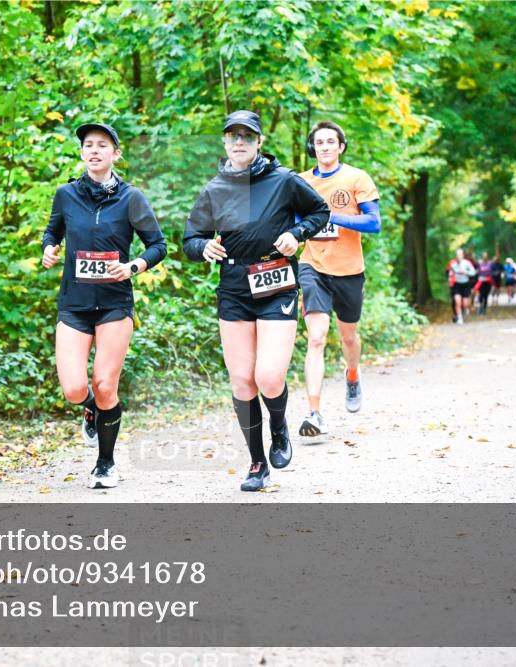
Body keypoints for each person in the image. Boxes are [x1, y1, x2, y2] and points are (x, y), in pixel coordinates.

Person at [183, 110, 330, 492]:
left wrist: (297, 234)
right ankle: (256, 462)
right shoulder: (215, 188)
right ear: (224, 142)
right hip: (233, 287)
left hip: (276, 281)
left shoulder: (283, 181)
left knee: (268, 376)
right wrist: (204, 247)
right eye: (233, 136)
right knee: (242, 382)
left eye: (247, 136)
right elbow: (190, 240)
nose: (239, 142)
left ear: (260, 141)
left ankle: (279, 427)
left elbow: (319, 211)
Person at [41, 122, 167, 489]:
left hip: (114, 304)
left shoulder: (132, 198)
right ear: (82, 153)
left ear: (116, 153)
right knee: (75, 389)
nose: (94, 150)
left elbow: (158, 245)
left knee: (106, 384)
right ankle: (90, 409)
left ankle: (106, 464)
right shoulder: (66, 194)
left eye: (102, 145)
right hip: (75, 305)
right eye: (88, 145)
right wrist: (49, 248)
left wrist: (132, 266)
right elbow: (53, 231)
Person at [294, 121, 381, 437]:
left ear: (341, 146)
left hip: (349, 270)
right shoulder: (300, 182)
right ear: (313, 148)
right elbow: (292, 221)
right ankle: (314, 413)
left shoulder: (356, 178)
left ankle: (353, 374)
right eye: (319, 142)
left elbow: (374, 223)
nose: (326, 147)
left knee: (348, 336)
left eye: (331, 141)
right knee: (316, 338)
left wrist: (331, 218)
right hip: (312, 266)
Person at [448, 248, 476, 324]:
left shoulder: (467, 263)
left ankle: (465, 309)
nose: (459, 255)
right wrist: (450, 279)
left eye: (460, 254)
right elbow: (449, 273)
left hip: (465, 284)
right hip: (456, 284)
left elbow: (473, 272)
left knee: (465, 303)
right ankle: (459, 318)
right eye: (457, 254)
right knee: (457, 302)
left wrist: (465, 272)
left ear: (463, 255)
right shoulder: (452, 263)